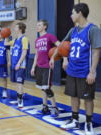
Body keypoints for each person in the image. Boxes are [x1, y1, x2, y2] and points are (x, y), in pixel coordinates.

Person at [49, 3, 101, 135]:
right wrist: (57, 58)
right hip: (72, 71)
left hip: (85, 72)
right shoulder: (73, 31)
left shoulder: (93, 30)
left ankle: (88, 123)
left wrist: (92, 71)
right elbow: (62, 46)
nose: (71, 15)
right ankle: (75, 119)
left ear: (80, 14)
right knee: (73, 96)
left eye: (73, 13)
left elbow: (96, 52)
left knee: (88, 99)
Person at [31, 20, 60, 117]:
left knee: (47, 88)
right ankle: (45, 107)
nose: (37, 26)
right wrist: (33, 66)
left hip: (47, 66)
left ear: (45, 27)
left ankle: (55, 108)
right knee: (42, 88)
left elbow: (60, 46)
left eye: (39, 25)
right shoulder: (37, 40)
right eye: (37, 25)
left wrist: (53, 57)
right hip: (39, 66)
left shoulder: (50, 36)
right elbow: (37, 54)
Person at [5, 22, 30, 108]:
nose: (14, 29)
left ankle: (20, 101)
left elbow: (24, 51)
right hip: (14, 64)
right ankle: (18, 98)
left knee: (19, 83)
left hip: (20, 65)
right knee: (16, 83)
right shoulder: (15, 40)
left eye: (16, 27)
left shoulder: (24, 39)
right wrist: (6, 36)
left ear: (20, 29)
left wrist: (19, 63)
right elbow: (6, 44)